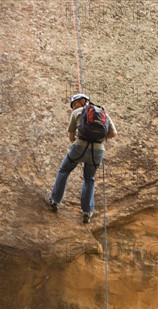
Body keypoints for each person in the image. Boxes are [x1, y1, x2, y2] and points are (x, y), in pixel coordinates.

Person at [45, 93, 117, 224]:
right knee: (89, 179)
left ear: (80, 102)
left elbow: (71, 136)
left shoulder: (76, 112)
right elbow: (113, 133)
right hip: (97, 151)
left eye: (74, 104)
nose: (73, 107)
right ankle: (87, 212)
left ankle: (55, 200)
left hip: (79, 147)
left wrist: (77, 140)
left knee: (64, 171)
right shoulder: (102, 113)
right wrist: (98, 139)